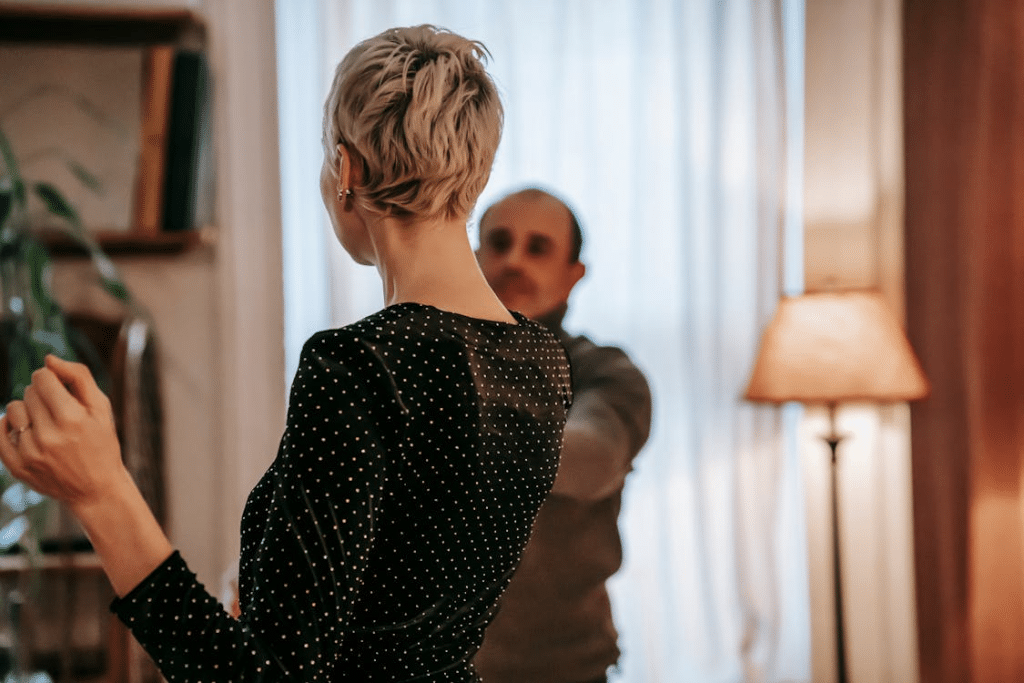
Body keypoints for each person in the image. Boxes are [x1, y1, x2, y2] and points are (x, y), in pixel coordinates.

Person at [0, 26, 572, 682]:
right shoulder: (541, 361)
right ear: (475, 173)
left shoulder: (359, 364)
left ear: (346, 169)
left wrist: (101, 490)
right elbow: (405, 598)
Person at [473, 187, 652, 683]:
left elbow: (592, 459)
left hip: (562, 669)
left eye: (537, 248)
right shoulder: (425, 361)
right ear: (474, 257)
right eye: (499, 242)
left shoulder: (607, 374)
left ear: (574, 274)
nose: (513, 260)